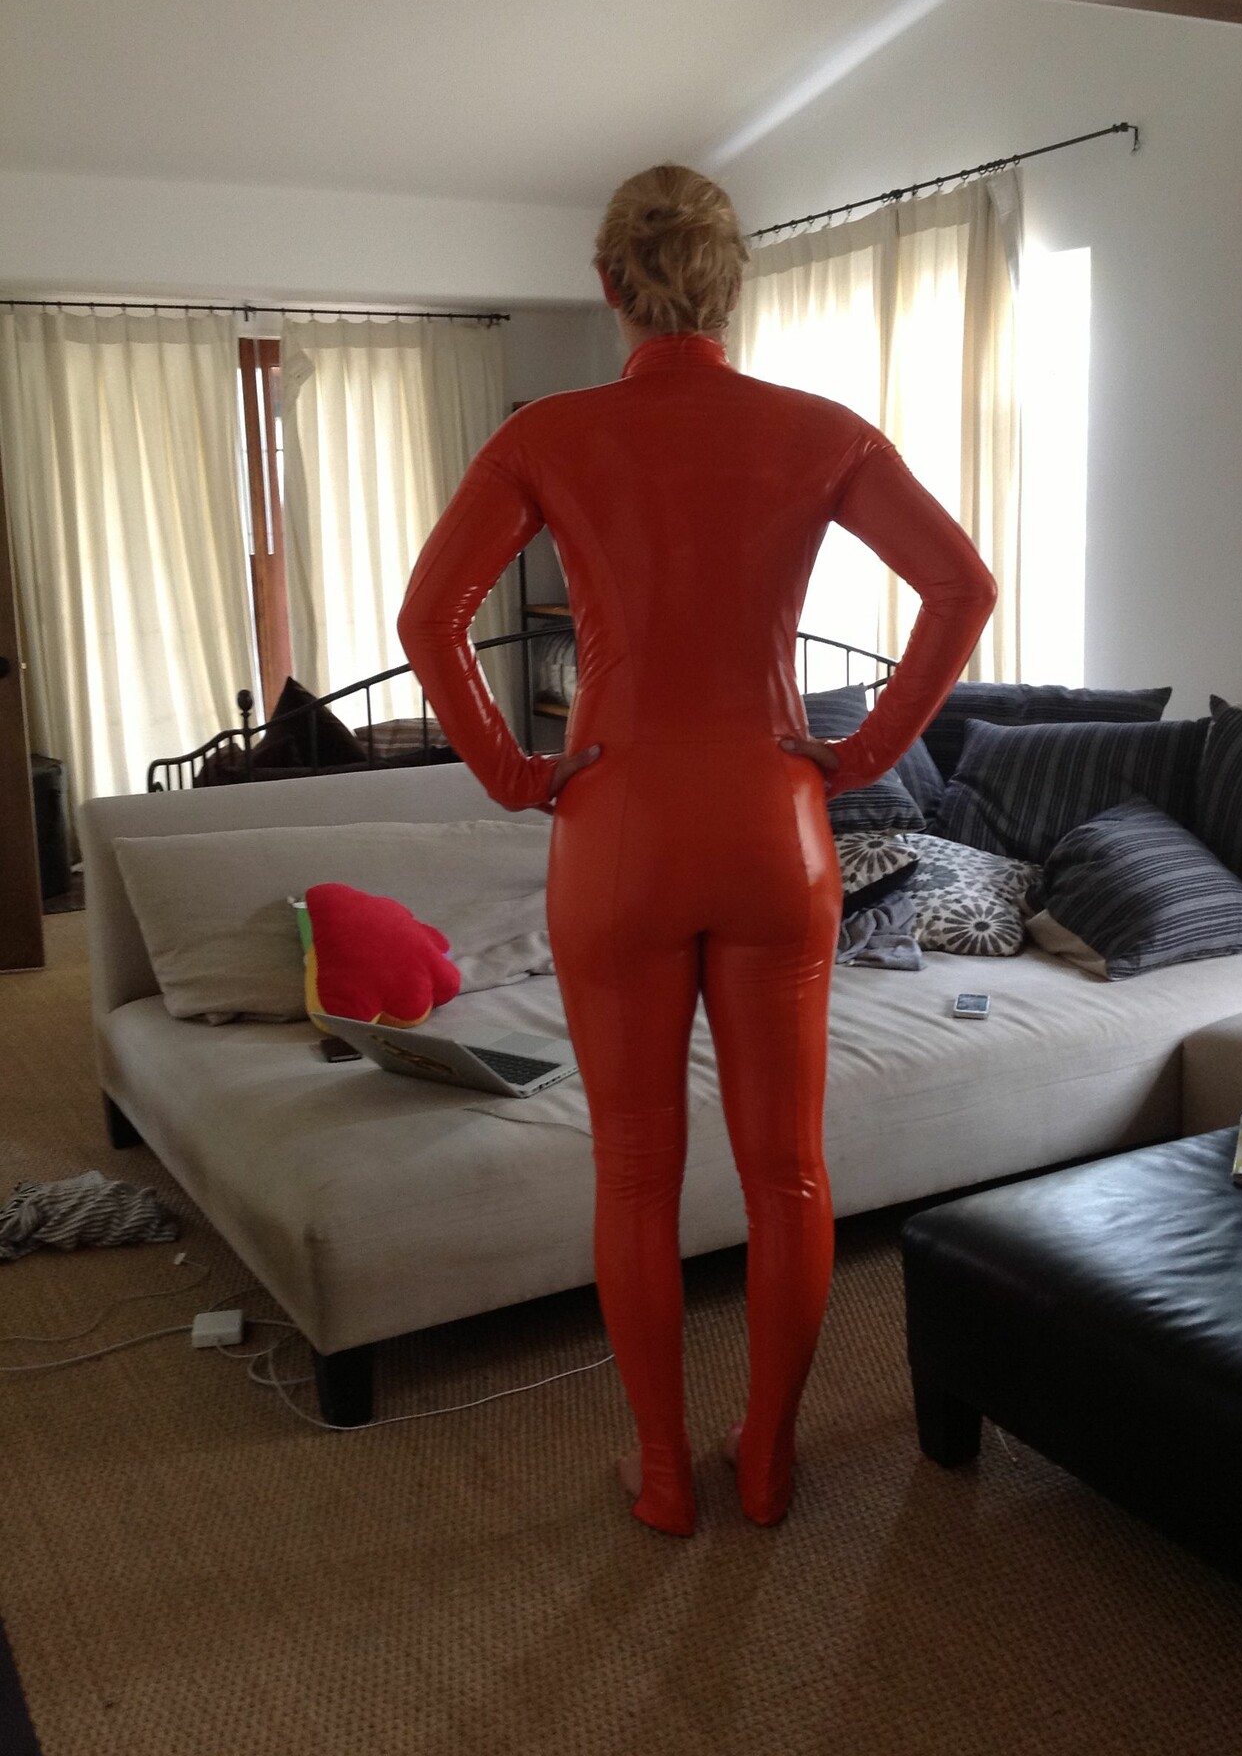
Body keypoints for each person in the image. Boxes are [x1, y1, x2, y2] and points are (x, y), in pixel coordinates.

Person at [397, 164, 997, 1537]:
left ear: (608, 286)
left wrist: (513, 773)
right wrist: (860, 751)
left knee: (632, 1173)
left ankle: (665, 1474)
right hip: (774, 826)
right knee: (789, 1172)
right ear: (732, 288)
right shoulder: (821, 431)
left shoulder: (549, 434)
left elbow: (432, 619)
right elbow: (962, 586)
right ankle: (768, 1460)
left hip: (616, 828)